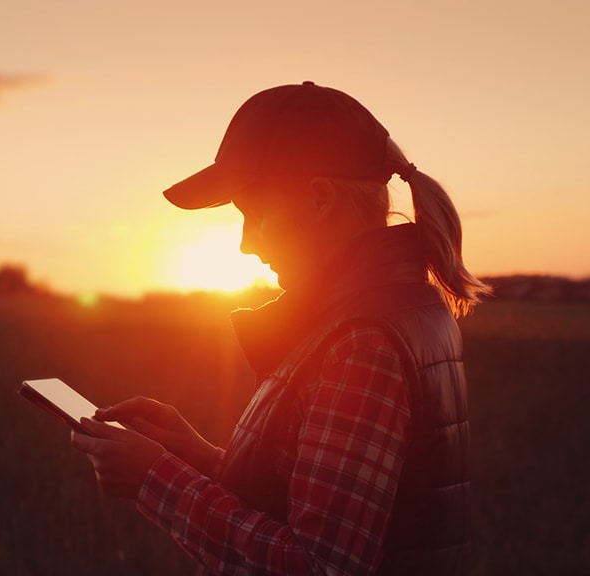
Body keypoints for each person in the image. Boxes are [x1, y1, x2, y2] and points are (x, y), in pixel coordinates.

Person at [71, 81, 491, 575]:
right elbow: (319, 504)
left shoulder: (362, 340)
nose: (246, 244)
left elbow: (318, 565)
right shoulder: (387, 311)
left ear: (319, 200)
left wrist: (155, 478)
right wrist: (197, 458)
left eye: (254, 213)